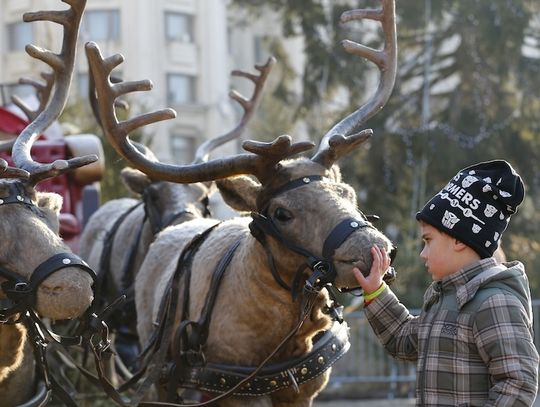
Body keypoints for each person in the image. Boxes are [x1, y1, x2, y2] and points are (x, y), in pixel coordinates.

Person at [353, 160, 539, 406]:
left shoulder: (494, 302)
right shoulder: (444, 299)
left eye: (428, 240)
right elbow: (404, 340)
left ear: (459, 239)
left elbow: (518, 383)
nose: (423, 253)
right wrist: (376, 291)